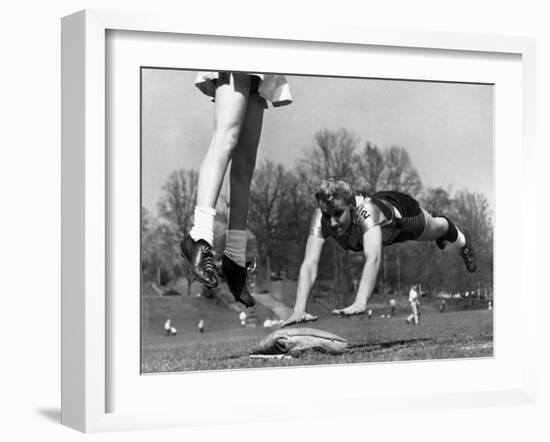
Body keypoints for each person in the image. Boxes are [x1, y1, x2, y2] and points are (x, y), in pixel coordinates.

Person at [282, 177, 477, 326]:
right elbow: (309, 263)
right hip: (380, 230)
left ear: (351, 206)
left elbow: (373, 258)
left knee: (438, 227)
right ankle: (441, 230)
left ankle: (462, 239)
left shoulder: (366, 212)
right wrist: (299, 309)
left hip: (403, 219)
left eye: (339, 214)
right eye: (327, 215)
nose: (332, 223)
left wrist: (360, 301)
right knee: (434, 231)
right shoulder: (321, 216)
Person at [179, 72, 292, 308]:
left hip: (263, 50)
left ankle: (234, 257)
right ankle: (199, 237)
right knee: (226, 138)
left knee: (246, 162)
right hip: (238, 46)